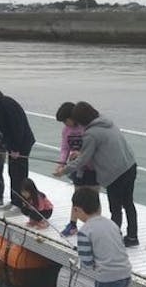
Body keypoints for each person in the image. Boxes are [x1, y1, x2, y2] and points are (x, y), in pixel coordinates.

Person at [54, 101, 139, 247]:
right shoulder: (106, 122)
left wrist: (64, 170)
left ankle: (112, 240)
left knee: (116, 208)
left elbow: (83, 160)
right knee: (128, 203)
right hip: (129, 166)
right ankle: (132, 237)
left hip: (115, 173)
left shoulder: (91, 134)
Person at [55, 102, 99, 237]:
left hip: (92, 168)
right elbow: (64, 148)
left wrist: (80, 153)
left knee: (94, 197)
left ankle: (95, 227)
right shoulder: (66, 131)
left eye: (65, 120)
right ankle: (72, 225)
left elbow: (93, 148)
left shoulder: (86, 128)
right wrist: (61, 163)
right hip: (76, 168)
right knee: (77, 196)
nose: (65, 124)